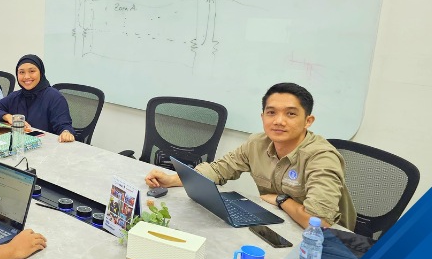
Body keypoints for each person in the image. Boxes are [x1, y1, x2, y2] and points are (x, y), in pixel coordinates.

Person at [144, 83, 356, 230]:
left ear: (308, 121)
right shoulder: (257, 143)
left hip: (328, 242)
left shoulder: (321, 157)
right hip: (280, 224)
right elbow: (218, 170)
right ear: (263, 117)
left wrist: (282, 200)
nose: (279, 121)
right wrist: (172, 179)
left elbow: (319, 222)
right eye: (271, 113)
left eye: (291, 114)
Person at [0, 55, 75, 142]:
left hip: (45, 146)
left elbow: (64, 125)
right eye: (21, 72)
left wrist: (66, 132)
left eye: (32, 71)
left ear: (41, 73)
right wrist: (8, 117)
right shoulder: (16, 96)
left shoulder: (54, 97)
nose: (26, 76)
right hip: (19, 144)